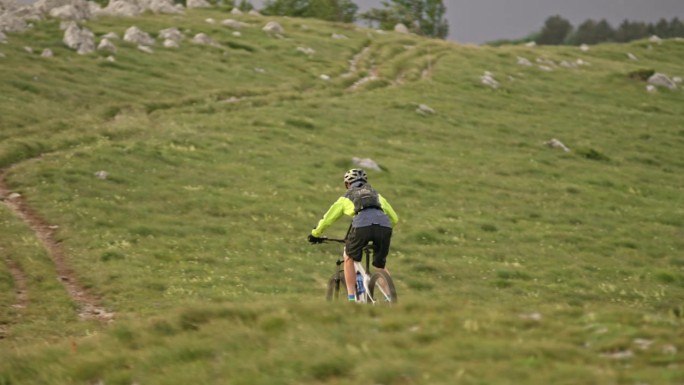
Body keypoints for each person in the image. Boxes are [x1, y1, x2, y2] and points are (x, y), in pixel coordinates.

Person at [308, 168, 398, 301]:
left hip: (362, 226)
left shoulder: (346, 197)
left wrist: (315, 234)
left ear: (348, 184)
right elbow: (394, 219)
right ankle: (391, 298)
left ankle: (352, 298)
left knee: (348, 256)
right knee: (380, 264)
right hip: (384, 226)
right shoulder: (377, 195)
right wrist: (381, 229)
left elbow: (328, 218)